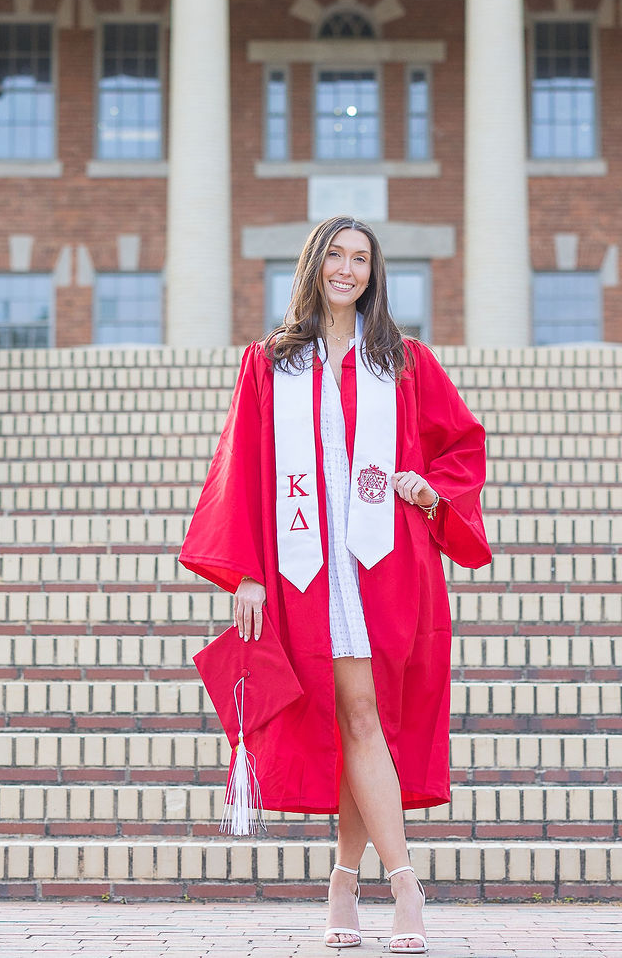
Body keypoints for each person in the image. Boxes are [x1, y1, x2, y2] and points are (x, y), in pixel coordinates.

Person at [180, 215, 490, 955]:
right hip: (305, 570)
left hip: (384, 568)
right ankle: (394, 885)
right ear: (315, 264)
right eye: (337, 256)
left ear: (374, 273)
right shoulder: (270, 363)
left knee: (364, 720)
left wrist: (424, 491)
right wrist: (248, 573)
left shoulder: (403, 360)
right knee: (358, 718)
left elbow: (463, 447)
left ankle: (358, 882)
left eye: (361, 259)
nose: (347, 269)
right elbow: (241, 468)